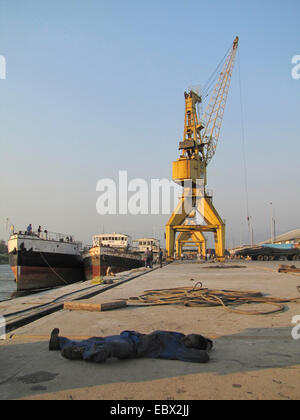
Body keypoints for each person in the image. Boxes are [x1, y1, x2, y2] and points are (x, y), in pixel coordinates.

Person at [49, 328, 213, 364]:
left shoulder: (179, 350)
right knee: (95, 339)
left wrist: (205, 348)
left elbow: (204, 357)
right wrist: (207, 340)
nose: (188, 338)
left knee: (109, 347)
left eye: (191, 341)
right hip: (131, 337)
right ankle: (59, 342)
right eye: (191, 335)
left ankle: (83, 353)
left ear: (192, 348)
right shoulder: (178, 337)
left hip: (132, 348)